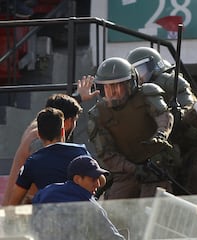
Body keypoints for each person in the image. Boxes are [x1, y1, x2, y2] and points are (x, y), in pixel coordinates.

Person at [126, 46, 197, 194]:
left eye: (141, 70)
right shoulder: (141, 95)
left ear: (154, 66)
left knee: (196, 197)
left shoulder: (171, 82)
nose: (140, 77)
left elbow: (190, 105)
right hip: (187, 147)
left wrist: (178, 111)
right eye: (135, 73)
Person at [88, 57, 178, 199]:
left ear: (131, 83)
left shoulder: (147, 94)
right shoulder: (98, 114)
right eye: (107, 88)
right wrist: (133, 169)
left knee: (154, 205)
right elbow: (106, 153)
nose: (113, 93)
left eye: (117, 87)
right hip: (125, 171)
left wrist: (161, 134)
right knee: (115, 209)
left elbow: (163, 115)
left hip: (156, 164)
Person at [2, 76, 99, 205]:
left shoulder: (38, 128)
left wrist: (78, 97)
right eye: (74, 120)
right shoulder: (40, 146)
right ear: (67, 123)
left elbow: (57, 111)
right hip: (26, 214)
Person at [6, 107, 91, 205]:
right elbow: (100, 179)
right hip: (80, 213)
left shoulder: (32, 162)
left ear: (38, 134)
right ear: (62, 131)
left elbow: (14, 202)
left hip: (49, 216)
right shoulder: (80, 151)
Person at [31, 155, 125, 240]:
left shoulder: (46, 192)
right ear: (77, 179)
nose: (98, 184)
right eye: (93, 179)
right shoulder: (89, 206)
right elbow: (110, 236)